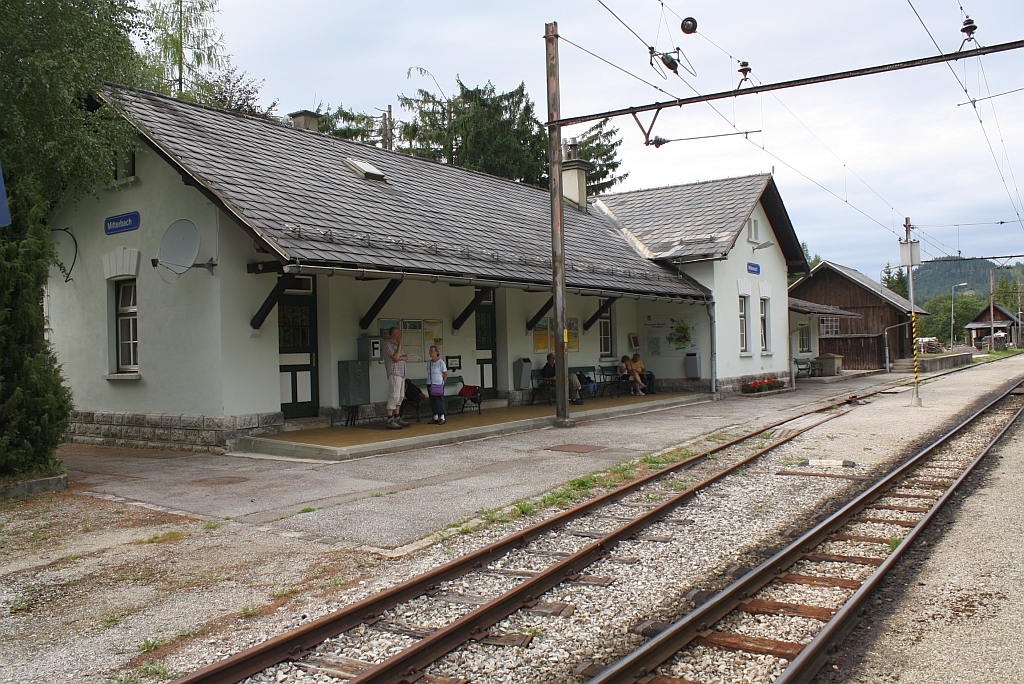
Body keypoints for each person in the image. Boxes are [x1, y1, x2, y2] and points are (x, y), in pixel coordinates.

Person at [383, 326, 410, 429]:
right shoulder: (388, 346)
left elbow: (406, 356)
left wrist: (401, 357)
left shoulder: (397, 345)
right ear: (393, 334)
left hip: (401, 373)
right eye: (398, 333)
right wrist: (399, 345)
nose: (400, 335)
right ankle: (390, 418)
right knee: (394, 395)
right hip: (394, 373)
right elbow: (395, 357)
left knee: (400, 396)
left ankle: (397, 416)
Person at [427, 345, 448, 425]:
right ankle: (435, 417)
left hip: (438, 384)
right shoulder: (429, 363)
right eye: (430, 351)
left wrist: (443, 383)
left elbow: (445, 374)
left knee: (439, 400)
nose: (430, 352)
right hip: (430, 383)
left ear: (437, 352)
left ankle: (442, 417)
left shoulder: (441, 362)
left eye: (432, 351)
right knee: (432, 401)